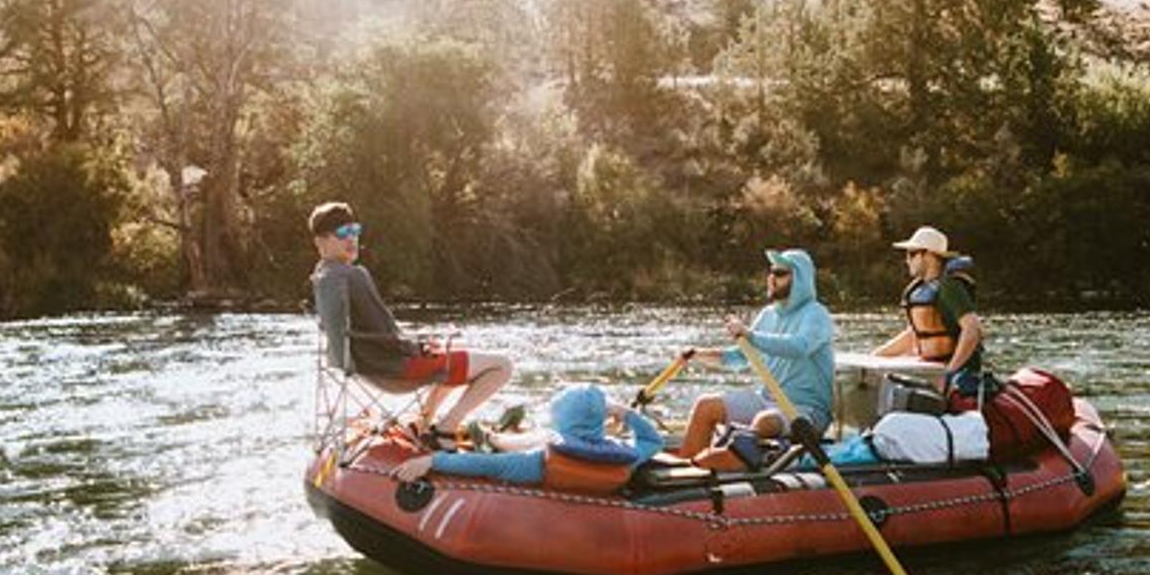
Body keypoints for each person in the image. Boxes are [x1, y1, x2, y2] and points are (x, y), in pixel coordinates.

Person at [308, 201, 512, 442]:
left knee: (445, 354)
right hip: (394, 369)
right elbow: (386, 335)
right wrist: (417, 347)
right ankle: (445, 428)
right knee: (501, 366)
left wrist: (419, 346)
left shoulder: (322, 275)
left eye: (355, 231)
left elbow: (349, 332)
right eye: (342, 233)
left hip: (370, 366)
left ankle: (423, 423)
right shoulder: (353, 275)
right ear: (320, 241)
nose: (351, 239)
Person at [674, 248, 835, 467]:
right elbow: (740, 357)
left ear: (800, 279)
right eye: (771, 272)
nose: (772, 278)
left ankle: (723, 461)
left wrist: (750, 335)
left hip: (805, 410)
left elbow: (800, 347)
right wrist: (698, 354)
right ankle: (684, 472)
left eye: (780, 273)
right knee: (706, 406)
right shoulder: (768, 314)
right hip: (766, 399)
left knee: (765, 421)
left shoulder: (816, 314)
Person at [392, 384, 663, 489]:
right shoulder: (623, 456)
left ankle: (494, 438)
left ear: (560, 416)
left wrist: (431, 461)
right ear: (600, 418)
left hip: (531, 455)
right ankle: (498, 437)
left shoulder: (538, 461)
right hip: (590, 469)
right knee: (540, 437)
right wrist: (625, 413)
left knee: (515, 444)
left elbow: (482, 464)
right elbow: (653, 440)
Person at [876, 225, 987, 407]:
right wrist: (876, 356)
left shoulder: (949, 287)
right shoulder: (916, 290)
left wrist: (950, 371)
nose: (907, 261)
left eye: (911, 254)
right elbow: (914, 335)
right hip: (931, 369)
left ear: (927, 255)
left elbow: (972, 330)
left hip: (956, 374)